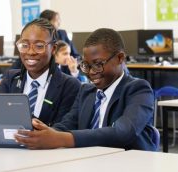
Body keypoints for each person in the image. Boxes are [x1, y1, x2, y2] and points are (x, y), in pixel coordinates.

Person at [15, 28, 158, 151]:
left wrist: (62, 139)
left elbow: (123, 132)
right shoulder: (86, 91)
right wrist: (45, 132)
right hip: (89, 161)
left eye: (97, 64)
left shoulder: (138, 89)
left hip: (129, 163)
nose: (91, 72)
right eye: (86, 65)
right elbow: (67, 124)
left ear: (120, 58)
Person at [0, 18, 81, 126]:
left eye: (39, 46)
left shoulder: (70, 85)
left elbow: (62, 129)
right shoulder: (11, 78)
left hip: (46, 143)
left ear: (53, 49)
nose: (31, 52)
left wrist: (19, 117)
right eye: (24, 45)